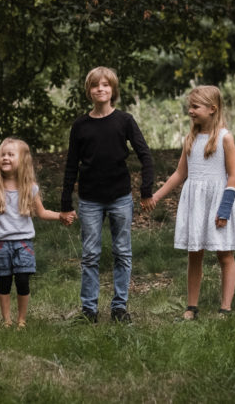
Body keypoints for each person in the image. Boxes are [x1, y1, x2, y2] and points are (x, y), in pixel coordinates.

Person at [61, 66, 155, 324]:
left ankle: (119, 308)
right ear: (88, 91)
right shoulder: (80, 125)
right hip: (90, 199)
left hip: (120, 198)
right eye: (95, 85)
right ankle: (89, 310)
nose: (100, 89)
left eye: (105, 85)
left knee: (122, 252)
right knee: (90, 254)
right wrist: (66, 202)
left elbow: (145, 155)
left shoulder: (124, 121)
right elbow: (71, 165)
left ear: (113, 90)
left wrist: (146, 189)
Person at [146, 85, 235, 320]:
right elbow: (180, 174)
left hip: (218, 202)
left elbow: (234, 176)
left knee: (224, 254)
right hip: (196, 203)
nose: (190, 111)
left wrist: (224, 210)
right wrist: (156, 196)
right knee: (195, 254)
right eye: (189, 107)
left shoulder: (225, 138)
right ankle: (191, 307)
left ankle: (225, 308)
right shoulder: (190, 139)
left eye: (195, 107)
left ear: (212, 108)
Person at [0, 137, 63, 329]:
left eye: (11, 154)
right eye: (3, 154)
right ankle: (7, 321)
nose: (5, 158)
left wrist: (60, 215)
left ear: (23, 160)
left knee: (23, 281)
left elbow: (42, 213)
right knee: (4, 281)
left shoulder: (29, 188)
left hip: (23, 243)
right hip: (0, 243)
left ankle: (21, 320)